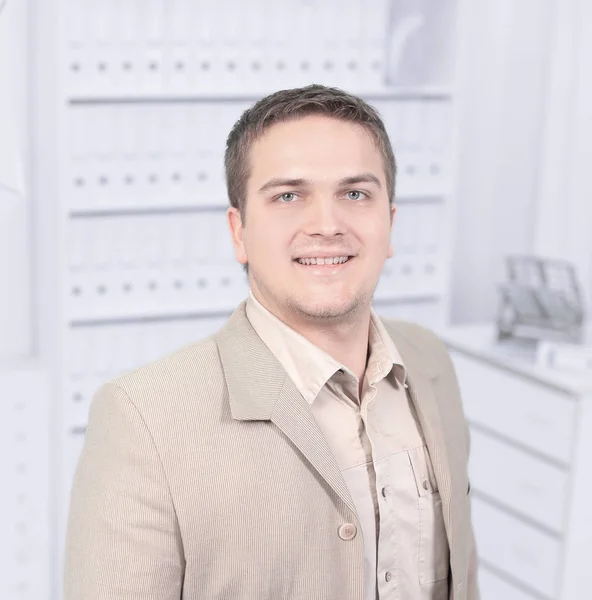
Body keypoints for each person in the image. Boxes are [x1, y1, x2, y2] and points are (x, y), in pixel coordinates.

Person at [64, 84, 479, 600]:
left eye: (355, 194)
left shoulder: (429, 361)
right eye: (288, 196)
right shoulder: (141, 418)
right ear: (239, 233)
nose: (327, 225)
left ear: (389, 224)